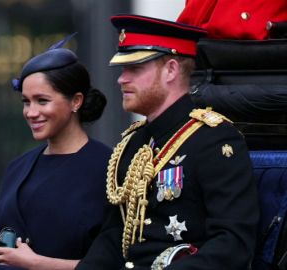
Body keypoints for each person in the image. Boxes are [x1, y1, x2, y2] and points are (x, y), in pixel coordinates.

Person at [75, 14, 260, 270]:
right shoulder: (132, 143)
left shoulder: (214, 139)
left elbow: (232, 244)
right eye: (123, 69)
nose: (121, 79)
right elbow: (112, 238)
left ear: (171, 70)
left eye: (135, 69)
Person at [0, 34, 112, 270]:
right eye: (26, 102)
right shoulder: (18, 166)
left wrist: (36, 263)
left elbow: (112, 263)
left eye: (42, 100)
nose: (31, 112)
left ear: (76, 101)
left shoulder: (109, 168)